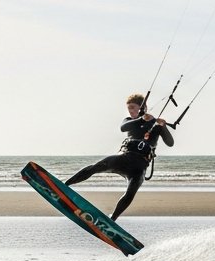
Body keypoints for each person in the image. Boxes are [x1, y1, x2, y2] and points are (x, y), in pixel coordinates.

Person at [65, 93, 174, 221]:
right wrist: (141, 119)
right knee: (94, 167)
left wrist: (163, 126)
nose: (130, 110)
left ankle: (113, 218)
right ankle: (65, 185)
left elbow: (170, 143)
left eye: (133, 107)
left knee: (130, 192)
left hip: (139, 167)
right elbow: (123, 128)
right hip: (123, 158)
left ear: (143, 107)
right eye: (129, 108)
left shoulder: (156, 125)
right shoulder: (129, 121)